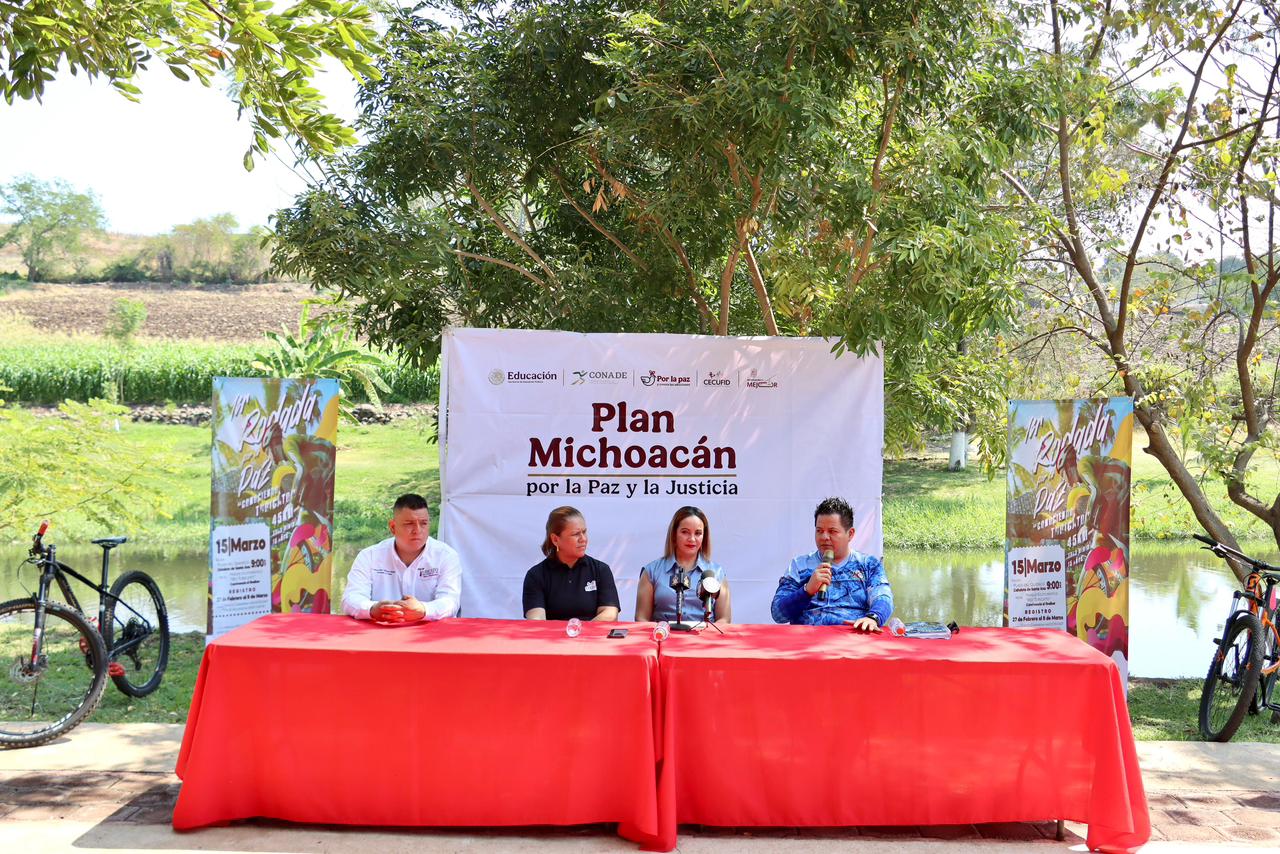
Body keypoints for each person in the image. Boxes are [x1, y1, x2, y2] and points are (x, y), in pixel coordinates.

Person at [771, 497, 892, 631]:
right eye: (819, 531)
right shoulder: (800, 565)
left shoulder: (868, 565)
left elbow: (883, 597)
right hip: (807, 637)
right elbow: (777, 614)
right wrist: (806, 591)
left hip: (852, 637)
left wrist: (873, 618)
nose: (824, 537)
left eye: (832, 531)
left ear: (850, 534)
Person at [341, 493, 462, 623]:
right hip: (381, 629)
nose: (417, 530)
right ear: (393, 527)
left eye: (423, 523)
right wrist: (372, 609)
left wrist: (423, 610)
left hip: (431, 632)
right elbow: (350, 598)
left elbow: (451, 601)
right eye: (409, 524)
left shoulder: (446, 556)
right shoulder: (369, 556)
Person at [635, 506, 731, 624]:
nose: (692, 539)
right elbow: (641, 619)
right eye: (685, 532)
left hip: (704, 634)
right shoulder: (651, 571)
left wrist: (708, 633)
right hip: (663, 634)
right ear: (674, 534)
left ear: (704, 537)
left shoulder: (716, 573)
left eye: (698, 533)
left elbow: (724, 619)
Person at [523, 506, 620, 621]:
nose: (583, 539)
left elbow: (610, 614)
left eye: (584, 532)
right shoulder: (536, 575)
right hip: (553, 633)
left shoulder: (600, 570)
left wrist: (579, 630)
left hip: (591, 632)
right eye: (576, 534)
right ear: (555, 539)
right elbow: (536, 620)